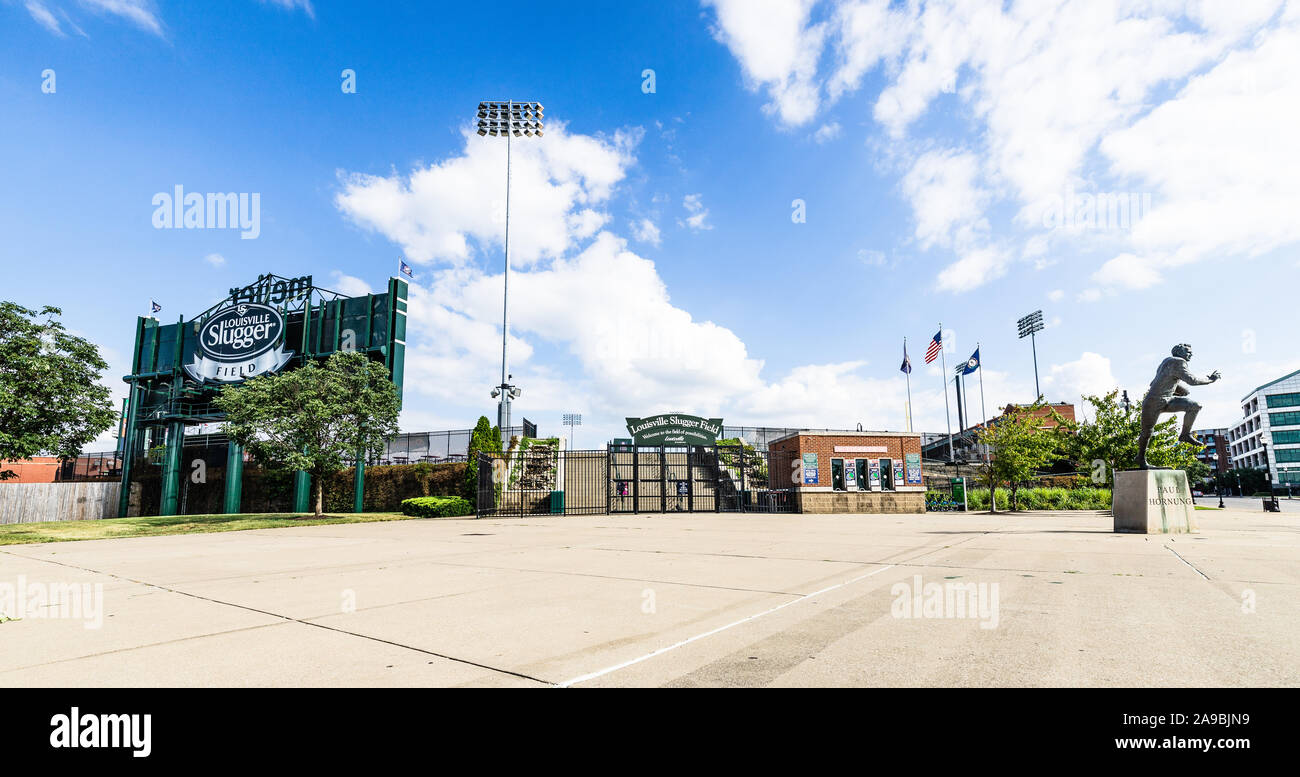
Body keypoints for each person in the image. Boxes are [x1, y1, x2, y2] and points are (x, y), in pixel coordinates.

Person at [1137, 343, 1220, 469]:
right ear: (1179, 352)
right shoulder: (1179, 362)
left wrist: (1180, 390)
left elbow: (1154, 382)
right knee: (1146, 433)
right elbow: (1193, 381)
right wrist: (1211, 380)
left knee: (1195, 406)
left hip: (1167, 400)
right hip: (1153, 402)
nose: (1191, 354)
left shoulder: (1166, 362)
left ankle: (1185, 434)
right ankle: (1140, 458)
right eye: (1187, 351)